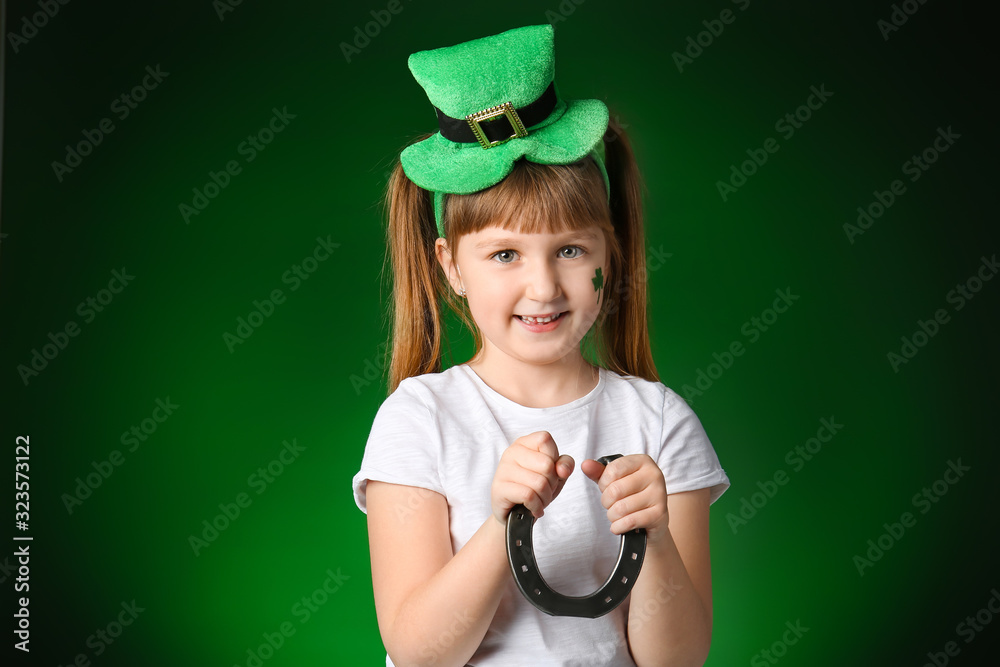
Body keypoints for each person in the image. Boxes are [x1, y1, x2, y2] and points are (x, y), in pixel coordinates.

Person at [352, 24, 730, 667]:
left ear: (608, 254)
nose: (544, 285)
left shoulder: (661, 422)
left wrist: (656, 537)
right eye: (504, 253)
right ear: (451, 267)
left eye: (571, 250)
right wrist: (501, 525)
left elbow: (680, 661)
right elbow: (419, 651)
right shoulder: (418, 419)